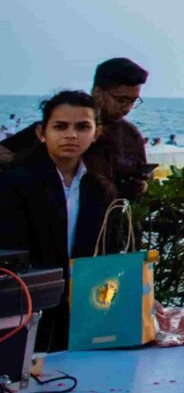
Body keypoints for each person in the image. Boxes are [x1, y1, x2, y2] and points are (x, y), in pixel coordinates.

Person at [0, 91, 114, 351]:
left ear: (96, 133)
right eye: (60, 126)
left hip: (85, 303)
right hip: (28, 303)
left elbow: (107, 249)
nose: (71, 135)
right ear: (42, 133)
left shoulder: (100, 188)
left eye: (82, 127)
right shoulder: (15, 183)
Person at [2, 58, 150, 202]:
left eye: (133, 101)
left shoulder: (131, 135)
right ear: (98, 93)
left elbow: (141, 182)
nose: (128, 108)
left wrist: (140, 186)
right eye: (121, 100)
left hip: (110, 219)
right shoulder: (54, 130)